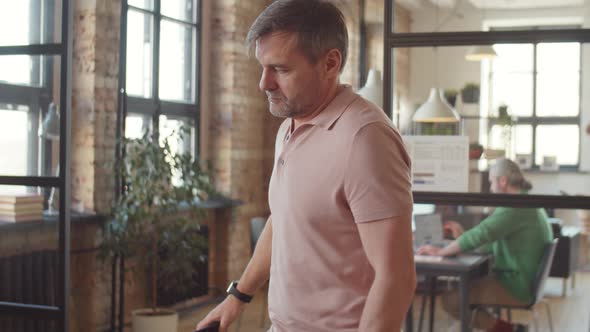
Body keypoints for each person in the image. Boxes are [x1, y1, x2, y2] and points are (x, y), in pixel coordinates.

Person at [196, 0, 416, 331]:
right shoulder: (290, 126)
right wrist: (237, 297)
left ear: (330, 63)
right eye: (263, 67)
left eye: (280, 69)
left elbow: (396, 277)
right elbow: (284, 218)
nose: (263, 83)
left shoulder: (365, 139)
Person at [417, 158, 553, 332]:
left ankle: (508, 330)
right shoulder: (525, 202)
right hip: (523, 281)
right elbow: (489, 241)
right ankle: (506, 328)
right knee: (466, 293)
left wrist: (441, 251)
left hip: (516, 286)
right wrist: (463, 238)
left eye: (491, 182)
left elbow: (483, 233)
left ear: (503, 181)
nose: (490, 188)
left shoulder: (515, 207)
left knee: (451, 301)